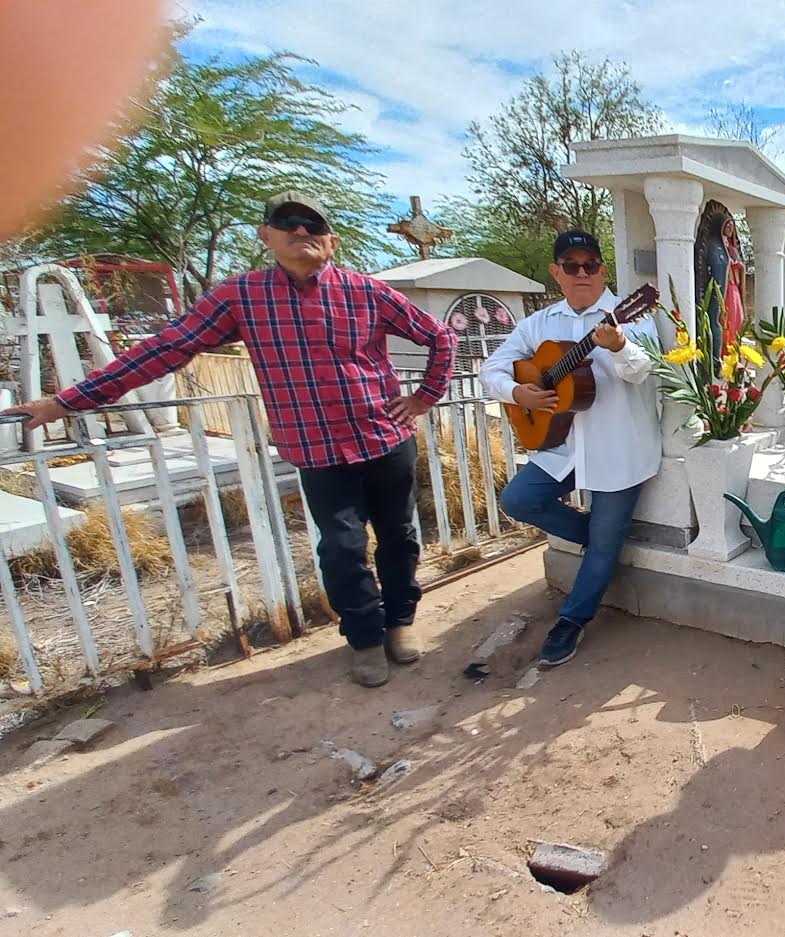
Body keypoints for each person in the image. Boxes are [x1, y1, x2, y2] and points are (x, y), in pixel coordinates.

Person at [4, 191, 458, 688]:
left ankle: (400, 623)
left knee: (400, 538)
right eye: (289, 224)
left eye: (313, 225)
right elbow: (168, 348)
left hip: (385, 438)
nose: (301, 232)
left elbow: (440, 336)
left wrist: (424, 397)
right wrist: (69, 401)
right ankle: (366, 639)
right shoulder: (242, 296)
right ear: (267, 236)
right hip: (316, 448)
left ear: (332, 241)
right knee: (342, 547)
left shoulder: (366, 292)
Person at [482, 229, 661, 669]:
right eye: (571, 265)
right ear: (556, 272)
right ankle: (600, 540)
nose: (582, 273)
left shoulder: (630, 316)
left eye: (591, 265)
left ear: (602, 270)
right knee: (518, 499)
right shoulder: (539, 324)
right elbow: (492, 367)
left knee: (603, 542)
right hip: (560, 443)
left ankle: (571, 620)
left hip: (619, 448)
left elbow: (643, 370)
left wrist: (619, 346)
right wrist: (516, 393)